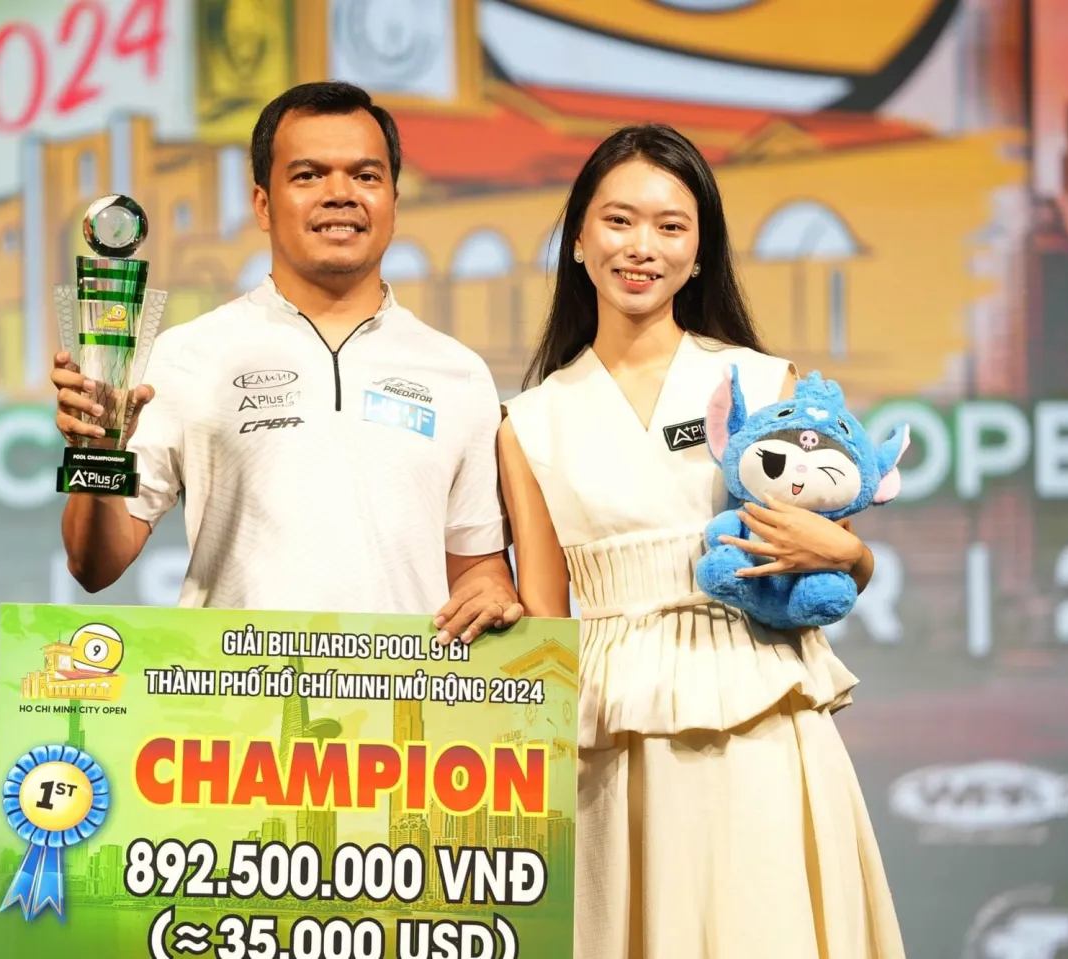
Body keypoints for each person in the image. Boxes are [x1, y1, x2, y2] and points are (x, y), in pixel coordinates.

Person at [498, 124, 905, 957]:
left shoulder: (763, 380)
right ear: (577, 239)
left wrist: (854, 558)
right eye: (618, 221)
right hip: (606, 737)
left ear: (698, 252)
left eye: (670, 226)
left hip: (759, 716)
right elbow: (543, 620)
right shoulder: (527, 421)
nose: (641, 246)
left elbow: (836, 560)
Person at [53, 81, 520, 645]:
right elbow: (94, 566)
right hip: (233, 692)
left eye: (366, 176)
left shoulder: (459, 373)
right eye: (308, 175)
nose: (340, 194)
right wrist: (98, 453)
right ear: (262, 205)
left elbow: (477, 565)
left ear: (394, 203)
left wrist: (492, 590)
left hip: (398, 694)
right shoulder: (188, 354)